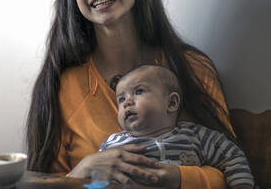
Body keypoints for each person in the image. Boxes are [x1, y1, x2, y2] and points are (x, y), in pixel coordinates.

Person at [26, 0, 237, 188]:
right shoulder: (63, 86)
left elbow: (232, 168)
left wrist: (177, 177)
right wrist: (84, 170)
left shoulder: (192, 68)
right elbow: (44, 182)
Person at [99, 64, 254, 189]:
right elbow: (95, 177)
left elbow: (232, 155)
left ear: (172, 103)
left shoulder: (195, 135)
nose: (127, 102)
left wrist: (241, 184)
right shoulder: (113, 143)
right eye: (121, 99)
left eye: (138, 91)